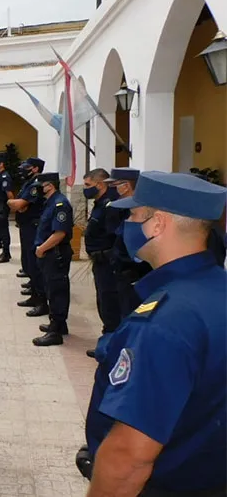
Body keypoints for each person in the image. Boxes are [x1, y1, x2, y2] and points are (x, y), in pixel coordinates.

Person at [84, 171, 227, 497]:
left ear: (158, 223)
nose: (126, 226)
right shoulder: (215, 290)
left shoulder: (164, 322)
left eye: (134, 215)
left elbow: (130, 457)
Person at [31, 173, 74, 347]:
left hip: (54, 253)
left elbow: (60, 233)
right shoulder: (50, 202)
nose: (38, 188)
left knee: (57, 290)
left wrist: (41, 249)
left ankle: (55, 331)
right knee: (52, 288)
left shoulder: (60, 204)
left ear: (50, 185)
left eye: (41, 185)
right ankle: (59, 324)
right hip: (49, 253)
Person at [82, 169, 121, 359]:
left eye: (88, 185)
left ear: (100, 184)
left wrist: (107, 257)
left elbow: (117, 238)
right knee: (103, 302)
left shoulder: (111, 205)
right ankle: (107, 342)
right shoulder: (100, 203)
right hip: (100, 262)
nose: (85, 189)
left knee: (110, 304)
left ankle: (111, 348)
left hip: (108, 264)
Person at [103, 167, 152, 319]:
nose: (111, 189)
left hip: (134, 277)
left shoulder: (141, 212)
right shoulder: (122, 207)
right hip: (121, 273)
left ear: (125, 185)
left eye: (114, 185)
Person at [9, 159, 48, 316]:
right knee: (28, 261)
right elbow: (20, 205)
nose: (23, 170)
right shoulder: (29, 182)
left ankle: (41, 300)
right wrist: (18, 205)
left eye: (26, 168)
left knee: (34, 263)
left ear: (35, 168)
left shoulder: (36, 185)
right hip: (26, 226)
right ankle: (34, 293)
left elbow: (19, 205)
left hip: (33, 227)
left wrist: (14, 203)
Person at [0, 159, 14, 263]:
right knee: (1, 229)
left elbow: (9, 193)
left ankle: (6, 253)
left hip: (2, 206)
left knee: (4, 230)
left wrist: (13, 206)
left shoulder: (5, 176)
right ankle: (4, 251)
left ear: (1, 164)